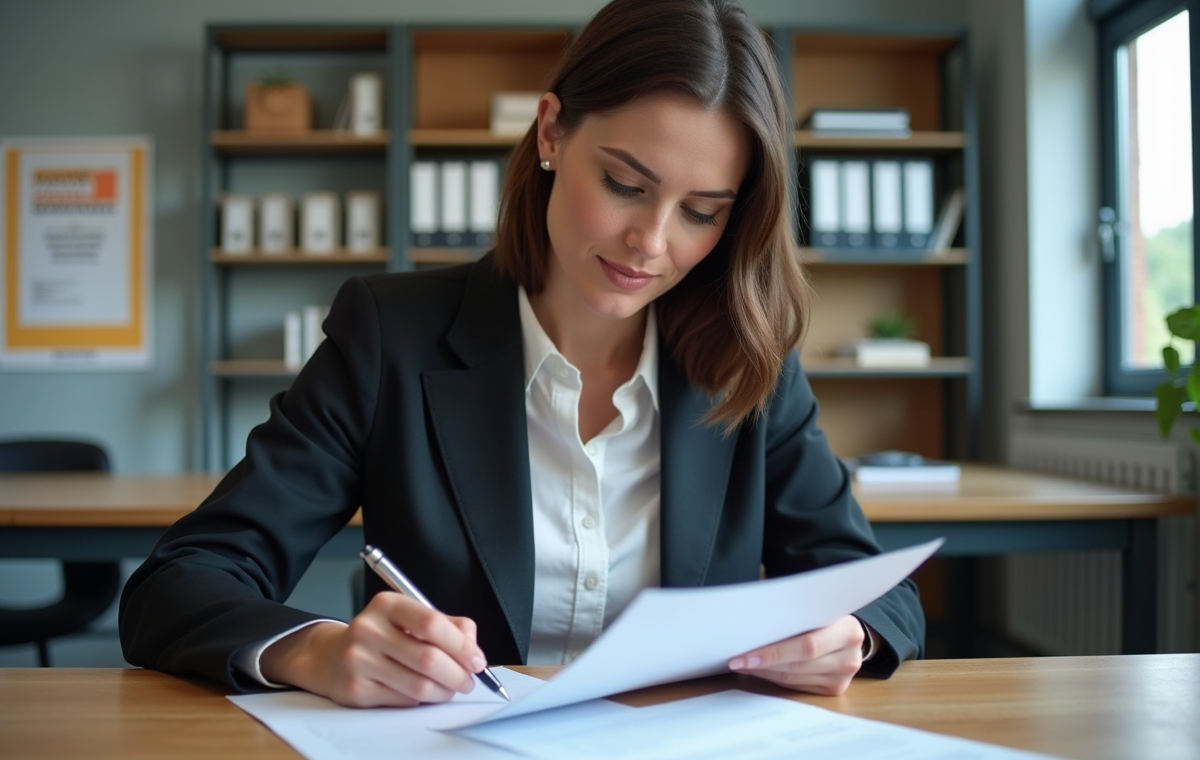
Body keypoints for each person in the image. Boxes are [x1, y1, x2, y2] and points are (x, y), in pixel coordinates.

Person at [119, 0, 924, 707]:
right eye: (625, 184)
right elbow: (179, 582)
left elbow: (881, 592)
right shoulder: (389, 335)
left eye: (702, 212)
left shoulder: (749, 361)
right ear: (551, 132)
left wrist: (850, 634)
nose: (651, 242)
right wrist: (316, 650)